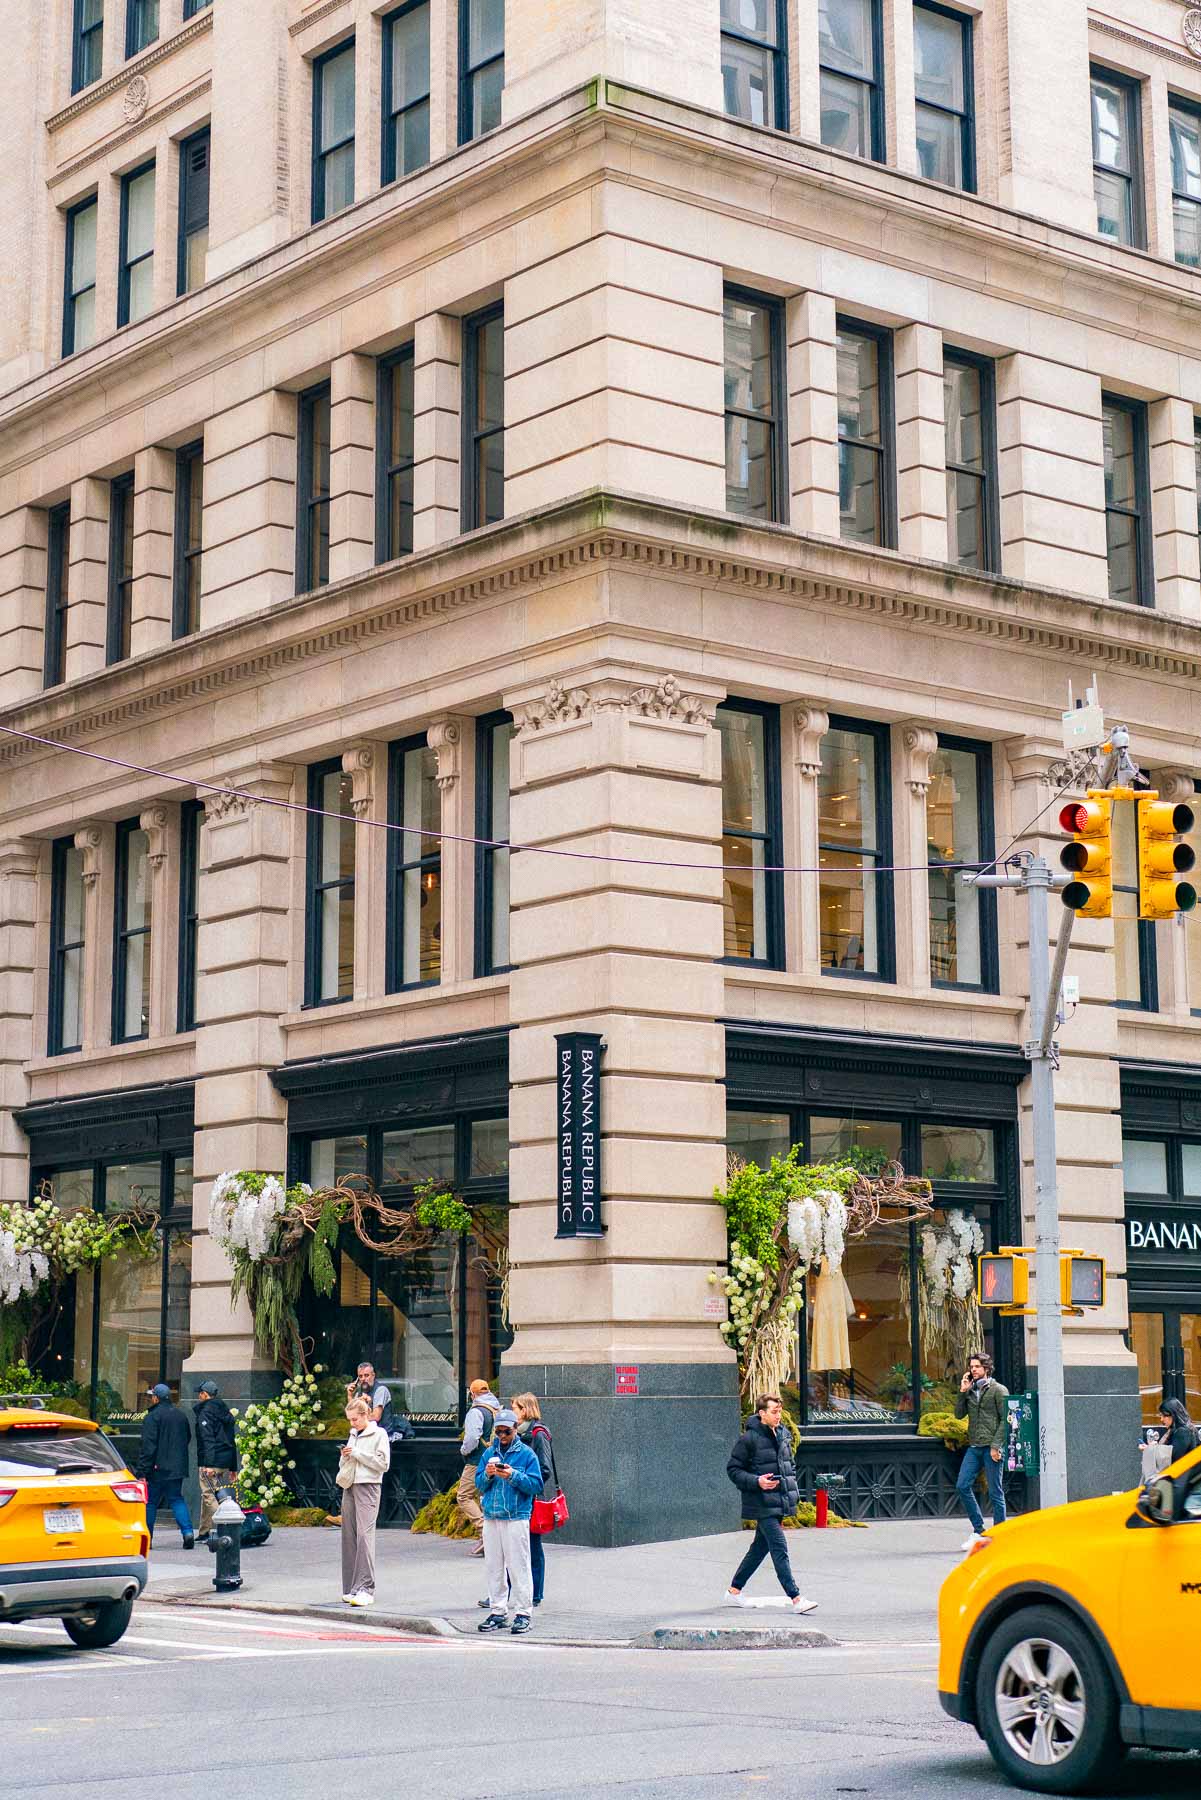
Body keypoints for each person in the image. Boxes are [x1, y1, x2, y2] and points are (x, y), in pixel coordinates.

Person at [725, 1394, 815, 1613]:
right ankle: (796, 1598)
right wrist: (757, 1481)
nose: (778, 1415)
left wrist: (789, 1491)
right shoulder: (749, 1439)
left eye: (780, 1411)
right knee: (779, 1547)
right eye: (774, 1411)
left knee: (759, 1549)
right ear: (761, 1413)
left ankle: (734, 1591)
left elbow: (789, 1466)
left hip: (779, 1500)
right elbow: (733, 1469)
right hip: (761, 1502)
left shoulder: (783, 1433)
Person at [476, 1409, 544, 1636]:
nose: (502, 1436)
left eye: (506, 1431)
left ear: (515, 1429)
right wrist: (487, 1474)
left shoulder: (526, 1454)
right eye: (498, 1431)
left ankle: (524, 1613)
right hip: (492, 1515)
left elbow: (536, 1485)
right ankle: (498, 1611)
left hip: (516, 1516)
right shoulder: (489, 1453)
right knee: (494, 1567)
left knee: (519, 1566)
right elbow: (479, 1483)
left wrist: (512, 1475)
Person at [337, 1394, 389, 1607]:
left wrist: (357, 1453)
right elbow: (349, 1459)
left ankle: (366, 1588)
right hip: (350, 1485)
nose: (352, 1423)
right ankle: (351, 1587)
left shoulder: (379, 1433)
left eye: (355, 1419)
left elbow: (383, 1464)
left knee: (365, 1537)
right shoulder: (353, 1433)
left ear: (365, 1415)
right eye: (350, 1420)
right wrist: (346, 1455)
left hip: (368, 1486)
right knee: (348, 1535)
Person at [954, 1352, 1009, 1548]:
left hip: (991, 1447)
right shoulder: (969, 1390)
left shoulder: (998, 1390)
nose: (973, 1370)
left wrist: (996, 1446)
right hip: (975, 1446)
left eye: (977, 1366)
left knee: (995, 1492)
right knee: (962, 1485)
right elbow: (959, 1415)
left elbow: (1006, 1420)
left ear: (986, 1369)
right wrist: (962, 1392)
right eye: (971, 1367)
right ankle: (979, 1530)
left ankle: (1000, 1535)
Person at [136, 1382, 195, 1548]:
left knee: (151, 1502)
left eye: (152, 1396)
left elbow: (148, 1446)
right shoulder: (181, 1416)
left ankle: (148, 1538)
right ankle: (188, 1532)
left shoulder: (152, 1417)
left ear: (156, 1398)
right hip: (177, 1467)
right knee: (177, 1499)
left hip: (157, 1468)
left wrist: (142, 1471)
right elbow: (187, 1438)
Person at [512, 1393, 554, 1609]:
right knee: (513, 1546)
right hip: (517, 1498)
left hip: (532, 1497)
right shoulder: (516, 1435)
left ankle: (536, 1592)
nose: (513, 1413)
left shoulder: (538, 1434)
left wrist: (529, 1483)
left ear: (525, 1410)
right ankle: (507, 1591)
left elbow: (544, 1468)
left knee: (533, 1546)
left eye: (515, 1408)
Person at [457, 1377, 500, 1557]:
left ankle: (485, 1531)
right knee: (484, 1497)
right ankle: (490, 1533)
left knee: (464, 1495)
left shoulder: (476, 1411)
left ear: (473, 1394)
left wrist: (463, 1451)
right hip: (494, 1458)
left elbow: (471, 1439)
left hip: (476, 1461)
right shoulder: (496, 1408)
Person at [192, 1378, 238, 1542]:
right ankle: (204, 1531)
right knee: (209, 1494)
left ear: (205, 1395)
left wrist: (209, 1465)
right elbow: (231, 1439)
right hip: (225, 1459)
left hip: (212, 1460)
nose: (198, 1396)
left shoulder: (205, 1412)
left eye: (200, 1393)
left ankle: (228, 1527)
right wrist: (233, 1467)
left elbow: (208, 1439)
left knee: (209, 1495)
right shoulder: (225, 1411)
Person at [1156, 1397, 1197, 1466]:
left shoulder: (1183, 1432)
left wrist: (1153, 1450)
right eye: (1161, 1415)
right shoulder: (1177, 1430)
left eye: (1164, 1416)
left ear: (1173, 1415)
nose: (1161, 1419)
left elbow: (1173, 1457)